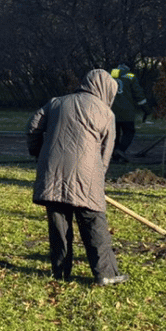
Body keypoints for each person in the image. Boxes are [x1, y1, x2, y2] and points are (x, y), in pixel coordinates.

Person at [26, 69, 127, 285]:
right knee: (94, 223)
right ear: (106, 90)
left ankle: (61, 273)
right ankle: (106, 274)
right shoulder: (106, 113)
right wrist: (97, 180)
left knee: (59, 226)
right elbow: (105, 155)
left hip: (52, 174)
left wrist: (38, 153)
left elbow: (33, 126)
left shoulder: (56, 103)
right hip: (87, 177)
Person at [110, 63, 147, 160]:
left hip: (112, 111)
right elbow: (138, 94)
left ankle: (114, 152)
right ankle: (121, 150)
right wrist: (145, 108)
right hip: (127, 112)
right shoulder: (130, 76)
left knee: (115, 133)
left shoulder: (111, 75)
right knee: (129, 132)